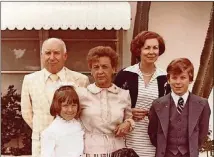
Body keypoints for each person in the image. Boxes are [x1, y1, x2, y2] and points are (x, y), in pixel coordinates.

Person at [21, 38, 89, 157]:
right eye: (48, 53)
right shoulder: (30, 80)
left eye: (56, 53)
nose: (52, 57)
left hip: (71, 142)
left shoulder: (81, 80)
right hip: (41, 143)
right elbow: (26, 112)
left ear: (65, 56)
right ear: (42, 56)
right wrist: (45, 131)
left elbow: (84, 111)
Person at [114, 31, 171, 157]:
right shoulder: (125, 75)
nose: (151, 52)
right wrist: (129, 112)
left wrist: (153, 113)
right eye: (147, 48)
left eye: (155, 48)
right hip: (127, 136)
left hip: (152, 138)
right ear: (139, 50)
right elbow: (112, 103)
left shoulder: (165, 78)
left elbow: (169, 110)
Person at [76, 46, 135, 157]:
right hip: (90, 151)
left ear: (113, 69)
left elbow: (129, 118)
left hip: (118, 151)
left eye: (105, 67)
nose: (100, 71)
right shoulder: (82, 94)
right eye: (96, 67)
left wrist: (127, 123)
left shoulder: (123, 95)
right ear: (91, 70)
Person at [148, 58, 211, 157]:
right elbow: (153, 134)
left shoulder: (202, 104)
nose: (178, 82)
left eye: (182, 77)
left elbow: (202, 135)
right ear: (168, 80)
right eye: (174, 77)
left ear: (190, 79)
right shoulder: (157, 104)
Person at [41, 85, 84, 157]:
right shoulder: (51, 132)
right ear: (57, 106)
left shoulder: (78, 125)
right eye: (65, 106)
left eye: (73, 105)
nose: (70, 110)